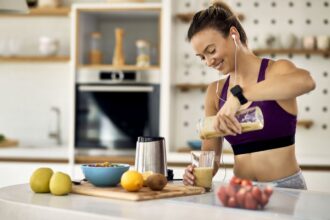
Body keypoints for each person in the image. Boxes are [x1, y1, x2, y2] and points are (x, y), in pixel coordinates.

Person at [182, 1, 316, 190]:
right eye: (202, 57)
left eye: (211, 50)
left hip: (285, 189)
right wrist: (196, 172)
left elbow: (306, 81)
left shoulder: (275, 71)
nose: (209, 61)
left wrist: (239, 96)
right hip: (240, 190)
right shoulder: (215, 92)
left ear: (233, 34)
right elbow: (211, 158)